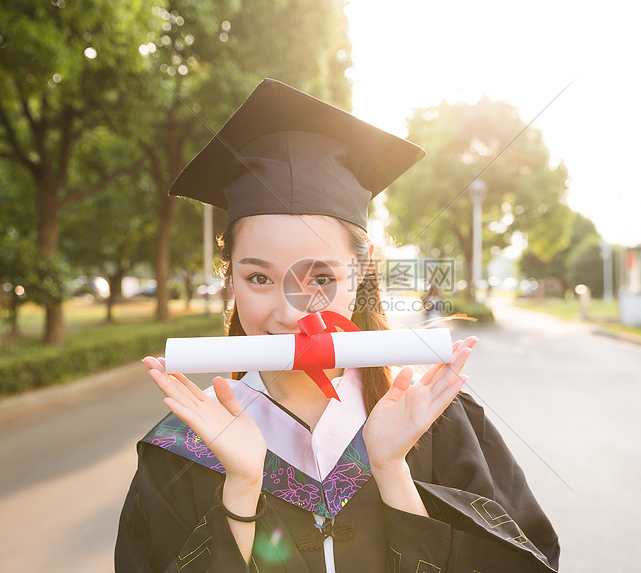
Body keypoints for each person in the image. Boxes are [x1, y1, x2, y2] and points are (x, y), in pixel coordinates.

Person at [115, 79, 559, 572]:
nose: (291, 313)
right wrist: (240, 491)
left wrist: (392, 473)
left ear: (363, 268)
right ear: (229, 277)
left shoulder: (438, 421)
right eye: (259, 277)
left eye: (321, 277)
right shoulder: (184, 452)